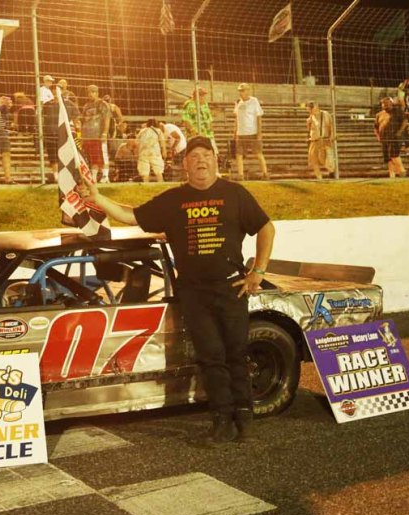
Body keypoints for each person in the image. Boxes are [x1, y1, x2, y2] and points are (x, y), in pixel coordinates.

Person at [79, 135, 275, 446]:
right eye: (194, 156)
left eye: (206, 155)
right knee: (211, 358)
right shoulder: (174, 200)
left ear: (215, 160)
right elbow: (132, 216)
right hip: (194, 293)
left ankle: (245, 420)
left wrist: (258, 272)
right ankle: (222, 421)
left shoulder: (235, 194)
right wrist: (97, 197)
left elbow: (266, 227)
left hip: (231, 289)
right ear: (185, 164)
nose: (201, 161)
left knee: (237, 355)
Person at [234, 83, 269, 180]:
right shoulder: (238, 102)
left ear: (248, 91)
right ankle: (240, 175)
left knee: (258, 153)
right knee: (239, 154)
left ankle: (265, 173)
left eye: (243, 90)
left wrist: (259, 132)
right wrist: (235, 132)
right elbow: (236, 118)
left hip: (252, 132)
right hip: (241, 133)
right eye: (240, 91)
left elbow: (259, 117)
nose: (241, 93)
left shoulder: (254, 101)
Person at [43, 91, 80, 181]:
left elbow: (76, 116)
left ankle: (66, 174)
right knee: (53, 155)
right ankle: (56, 176)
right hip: (50, 132)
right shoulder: (47, 104)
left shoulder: (68, 103)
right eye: (54, 92)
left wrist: (72, 127)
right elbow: (42, 117)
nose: (56, 94)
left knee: (65, 154)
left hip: (64, 132)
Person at [81, 85, 112, 182]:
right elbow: (83, 120)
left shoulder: (102, 104)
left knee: (102, 155)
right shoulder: (86, 106)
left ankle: (105, 176)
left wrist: (105, 132)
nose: (90, 94)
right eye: (89, 92)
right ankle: (93, 177)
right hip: (87, 136)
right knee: (92, 158)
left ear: (97, 93)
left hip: (98, 135)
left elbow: (107, 119)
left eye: (93, 92)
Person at [374, 97, 408, 177]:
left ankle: (402, 171)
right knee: (388, 158)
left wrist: (399, 132)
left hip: (394, 138)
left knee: (394, 155)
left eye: (387, 103)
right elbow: (376, 127)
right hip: (384, 139)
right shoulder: (379, 114)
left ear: (391, 103)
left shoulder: (398, 111)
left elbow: (405, 121)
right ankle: (392, 175)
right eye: (383, 104)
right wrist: (378, 136)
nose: (385, 105)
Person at [181, 87, 218, 156]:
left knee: (213, 154)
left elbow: (209, 118)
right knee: (197, 154)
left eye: (203, 95)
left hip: (208, 135)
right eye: (201, 95)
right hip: (196, 135)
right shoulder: (189, 104)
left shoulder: (205, 104)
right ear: (195, 96)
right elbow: (185, 119)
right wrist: (193, 131)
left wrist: (211, 128)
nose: (203, 97)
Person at [306, 102, 334, 180]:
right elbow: (310, 130)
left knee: (322, 159)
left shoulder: (325, 114)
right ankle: (319, 177)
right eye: (308, 110)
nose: (309, 111)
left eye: (310, 109)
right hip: (314, 140)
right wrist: (308, 124)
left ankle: (331, 171)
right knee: (313, 160)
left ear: (315, 107)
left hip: (324, 140)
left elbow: (331, 126)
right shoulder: (310, 117)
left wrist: (332, 136)